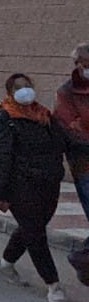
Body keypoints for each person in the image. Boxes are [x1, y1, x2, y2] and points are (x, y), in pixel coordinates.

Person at [0, 73, 83, 302]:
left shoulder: (45, 116)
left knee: (32, 228)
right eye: (19, 87)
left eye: (28, 86)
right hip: (20, 185)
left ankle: (6, 265)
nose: (25, 90)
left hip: (48, 183)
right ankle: (53, 285)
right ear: (10, 93)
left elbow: (66, 142)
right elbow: (0, 158)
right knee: (35, 232)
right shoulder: (4, 120)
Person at [53, 42, 89, 223]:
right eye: (77, 62)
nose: (81, 66)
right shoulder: (67, 92)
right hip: (83, 162)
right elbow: (69, 127)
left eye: (84, 61)